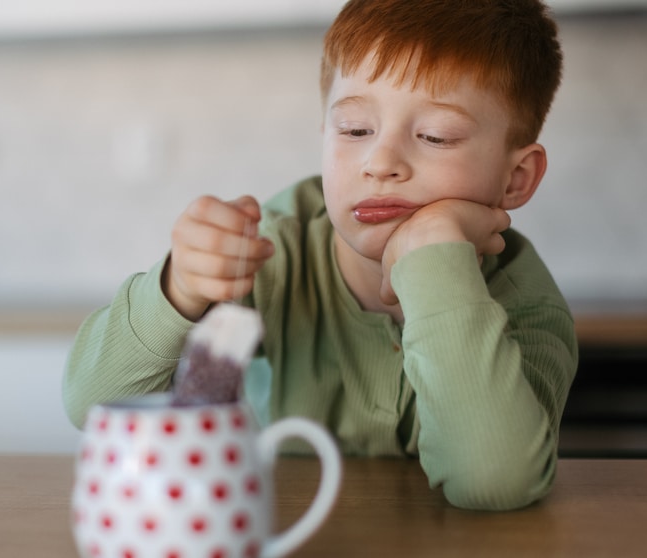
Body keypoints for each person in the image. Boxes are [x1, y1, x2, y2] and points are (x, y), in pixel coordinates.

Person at [64, 0, 577, 512]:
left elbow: (493, 483)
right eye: (355, 130)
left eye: (434, 137)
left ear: (516, 178)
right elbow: (91, 405)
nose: (380, 163)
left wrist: (432, 254)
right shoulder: (272, 254)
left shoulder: (524, 304)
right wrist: (176, 289)